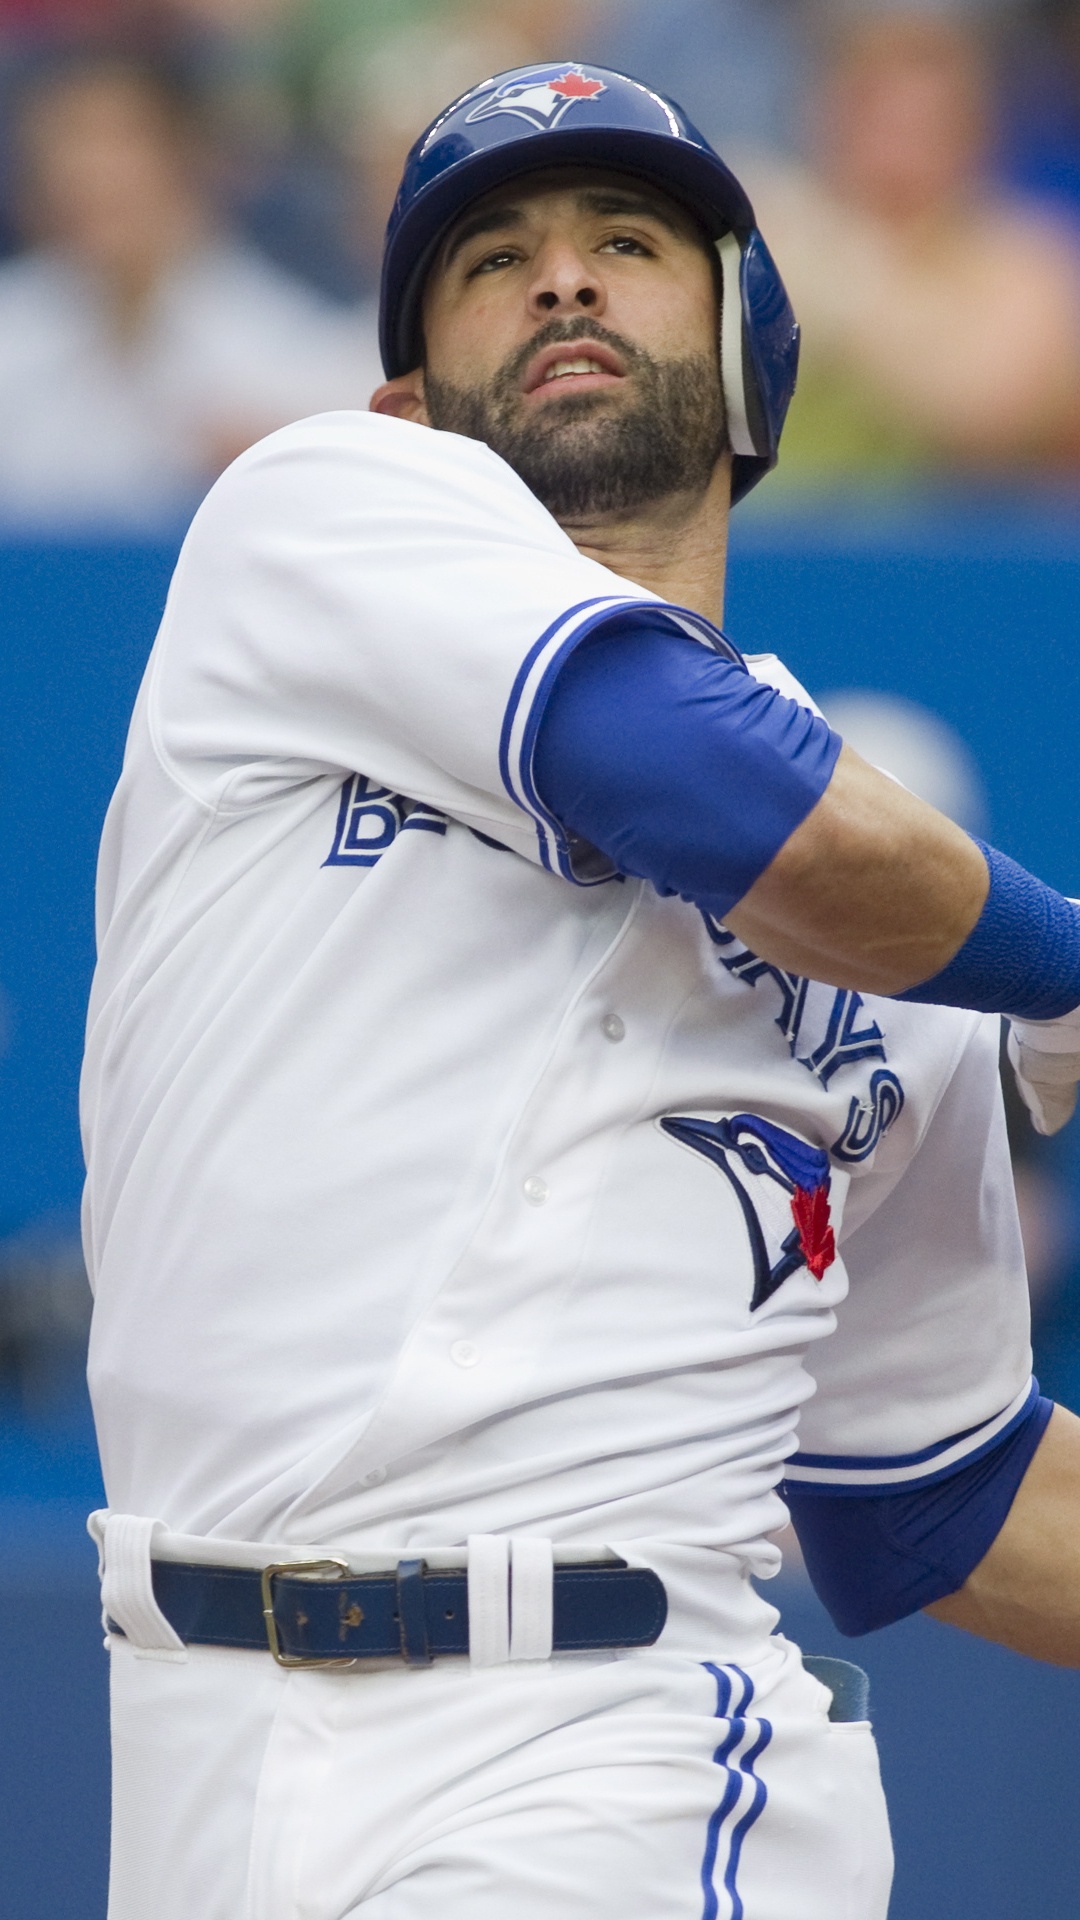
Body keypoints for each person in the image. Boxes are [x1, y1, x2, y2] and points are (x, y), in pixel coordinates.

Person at [83, 62, 1080, 1920]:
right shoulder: (306, 520)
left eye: (628, 244)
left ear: (753, 363)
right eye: (494, 260)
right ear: (406, 399)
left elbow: (939, 1488)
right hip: (197, 1750)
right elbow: (698, 778)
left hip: (617, 1751)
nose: (563, 282)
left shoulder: (922, 928)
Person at [0, 51, 380, 527]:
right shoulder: (12, 333)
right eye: (63, 146)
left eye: (118, 142)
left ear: (194, 159)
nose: (84, 174)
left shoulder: (297, 356)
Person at [745, 9, 1080, 487]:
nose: (899, 154)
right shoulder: (766, 221)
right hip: (774, 543)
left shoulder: (1027, 260)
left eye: (927, 126)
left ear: (975, 132)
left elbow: (990, 409)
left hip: (969, 549)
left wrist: (844, 282)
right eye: (877, 121)